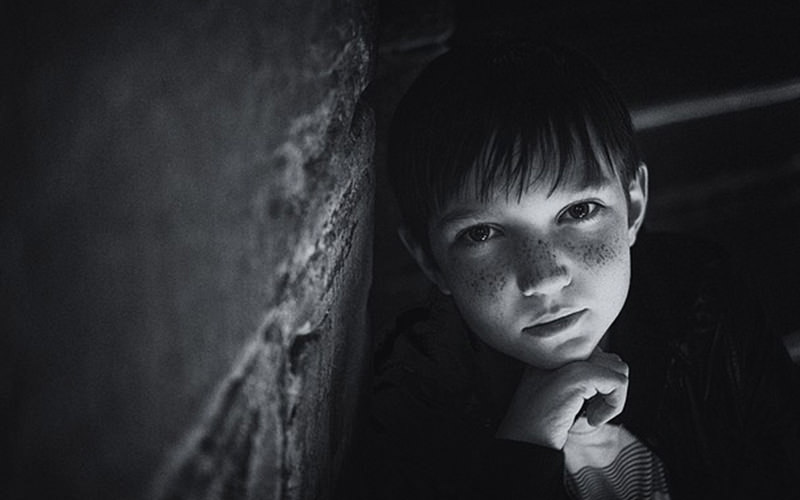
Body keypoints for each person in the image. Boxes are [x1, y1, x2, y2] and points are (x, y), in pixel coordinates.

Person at [341, 39, 800, 499]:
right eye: (481, 234)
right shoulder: (411, 399)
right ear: (429, 260)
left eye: (579, 211)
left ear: (633, 207)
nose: (543, 278)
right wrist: (525, 444)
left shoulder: (702, 299)